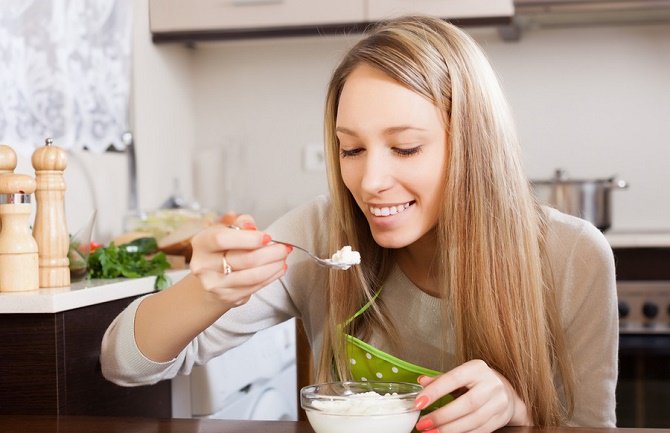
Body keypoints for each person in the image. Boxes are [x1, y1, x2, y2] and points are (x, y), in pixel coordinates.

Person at [101, 15, 618, 431]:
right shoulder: (321, 233)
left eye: (405, 147)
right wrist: (207, 292)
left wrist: (516, 410)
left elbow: (593, 428)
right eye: (351, 148)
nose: (370, 181)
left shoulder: (573, 255)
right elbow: (124, 364)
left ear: (472, 147)